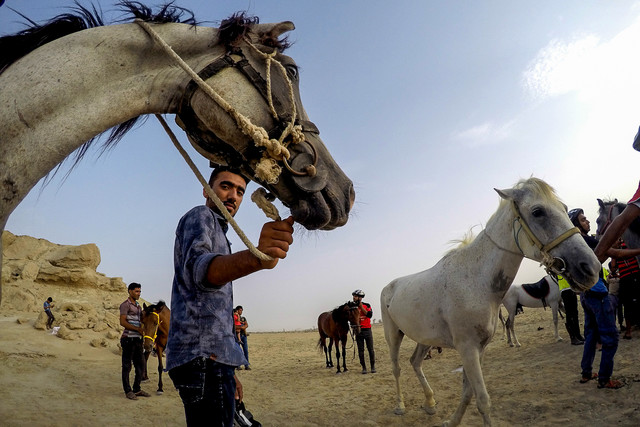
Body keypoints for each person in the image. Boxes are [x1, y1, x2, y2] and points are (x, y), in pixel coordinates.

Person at [166, 166, 294, 427]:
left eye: (240, 191)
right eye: (225, 186)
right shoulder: (201, 215)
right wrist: (258, 257)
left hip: (213, 358)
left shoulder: (219, 231)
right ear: (206, 189)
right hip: (203, 359)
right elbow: (201, 270)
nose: (233, 196)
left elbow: (213, 310)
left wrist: (229, 367)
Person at [568, 209, 640, 389]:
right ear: (576, 225)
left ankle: (586, 373)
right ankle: (604, 378)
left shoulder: (577, 243)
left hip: (586, 295)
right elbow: (616, 253)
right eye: (583, 220)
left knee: (591, 335)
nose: (588, 222)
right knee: (611, 337)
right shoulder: (587, 241)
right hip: (598, 294)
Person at [119, 282, 150, 400]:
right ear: (130, 291)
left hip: (137, 340)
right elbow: (122, 322)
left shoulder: (138, 306)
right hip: (128, 339)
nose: (138, 293)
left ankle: (137, 389)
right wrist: (137, 329)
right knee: (127, 366)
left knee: (141, 365)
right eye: (136, 291)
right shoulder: (125, 305)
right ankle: (128, 391)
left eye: (140, 291)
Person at [610, 239, 640, 339]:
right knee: (627, 305)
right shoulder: (615, 248)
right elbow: (613, 267)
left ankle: (630, 330)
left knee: (630, 305)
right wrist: (615, 251)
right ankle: (628, 330)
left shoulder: (629, 243)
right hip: (627, 278)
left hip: (633, 275)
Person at [352, 289, 376, 374]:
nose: (353, 298)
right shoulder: (352, 307)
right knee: (360, 350)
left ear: (360, 298)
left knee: (370, 349)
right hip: (358, 331)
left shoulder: (367, 305)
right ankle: (364, 368)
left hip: (367, 330)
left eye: (355, 296)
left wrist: (361, 307)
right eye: (353, 296)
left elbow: (369, 315)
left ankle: (373, 366)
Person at [556, 275, 585, 345]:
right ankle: (573, 337)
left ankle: (578, 335)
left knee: (575, 313)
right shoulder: (558, 268)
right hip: (565, 291)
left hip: (572, 289)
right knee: (569, 314)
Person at [236, 306, 251, 370]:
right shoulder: (234, 318)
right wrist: (241, 327)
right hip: (237, 336)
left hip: (243, 336)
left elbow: (246, 325)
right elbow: (235, 326)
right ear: (237, 310)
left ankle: (246, 365)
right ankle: (238, 365)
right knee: (238, 351)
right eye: (240, 310)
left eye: (242, 310)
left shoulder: (243, 318)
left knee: (245, 351)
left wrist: (242, 327)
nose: (241, 311)